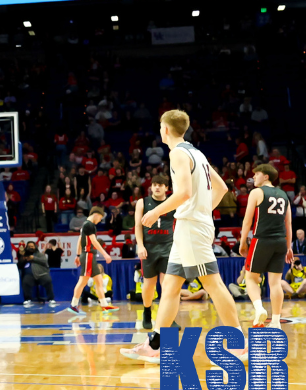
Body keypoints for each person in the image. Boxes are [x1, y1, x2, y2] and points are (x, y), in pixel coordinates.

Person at [122, 110, 247, 364]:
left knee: (213, 284)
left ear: (165, 129)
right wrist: (203, 211)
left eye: (160, 127)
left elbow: (184, 193)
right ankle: (156, 344)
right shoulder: (196, 153)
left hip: (191, 228)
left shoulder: (178, 153)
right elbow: (222, 187)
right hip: (188, 227)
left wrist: (156, 211)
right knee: (169, 287)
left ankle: (239, 345)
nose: (159, 130)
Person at [238, 164, 295, 329]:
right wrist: (289, 246)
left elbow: (247, 221)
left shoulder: (256, 192)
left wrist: (242, 243)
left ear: (266, 177)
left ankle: (259, 308)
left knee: (250, 278)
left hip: (261, 240)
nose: (254, 177)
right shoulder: (284, 195)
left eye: (257, 174)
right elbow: (288, 224)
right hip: (280, 242)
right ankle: (276, 322)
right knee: (275, 283)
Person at [135, 174, 175, 330]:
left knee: (167, 285)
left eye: (160, 185)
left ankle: (168, 318)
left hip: (168, 246)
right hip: (149, 247)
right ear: (150, 187)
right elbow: (138, 226)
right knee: (149, 284)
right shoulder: (142, 202)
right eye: (154, 184)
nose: (157, 187)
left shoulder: (173, 202)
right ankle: (146, 313)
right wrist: (140, 245)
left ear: (166, 188)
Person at [66, 207, 115, 316]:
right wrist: (105, 254)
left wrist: (78, 255)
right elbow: (94, 241)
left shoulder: (85, 225)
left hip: (88, 255)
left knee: (99, 281)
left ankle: (104, 305)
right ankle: (73, 305)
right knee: (83, 281)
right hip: (88, 255)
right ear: (96, 214)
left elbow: (80, 240)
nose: (99, 221)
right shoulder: (89, 225)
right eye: (100, 218)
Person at [20, 241, 54, 306]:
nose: (30, 248)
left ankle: (51, 299)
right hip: (30, 275)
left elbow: (44, 261)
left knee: (48, 280)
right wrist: (24, 259)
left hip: (41, 274)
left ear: (35, 247)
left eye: (32, 246)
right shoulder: (24, 255)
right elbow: (19, 265)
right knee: (25, 282)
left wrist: (34, 258)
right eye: (29, 246)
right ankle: (28, 299)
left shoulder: (40, 255)